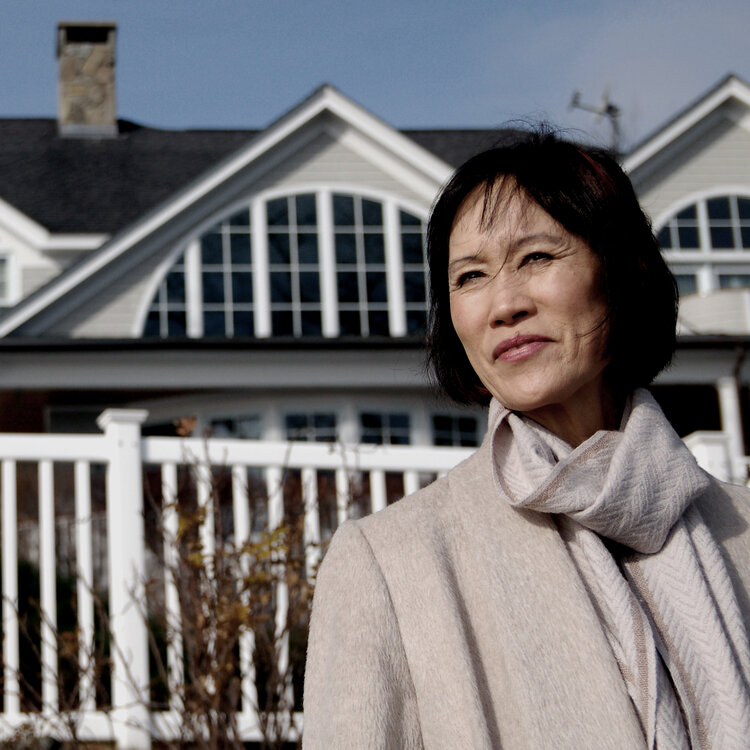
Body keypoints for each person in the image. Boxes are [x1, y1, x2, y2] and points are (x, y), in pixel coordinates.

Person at [302, 131, 750, 749]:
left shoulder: (742, 531)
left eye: (537, 257)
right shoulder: (390, 563)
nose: (503, 304)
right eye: (471, 276)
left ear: (621, 273)